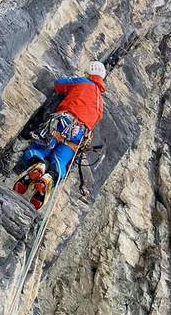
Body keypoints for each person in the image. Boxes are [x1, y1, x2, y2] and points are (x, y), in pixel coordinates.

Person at [13, 60, 106, 209]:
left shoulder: (83, 82)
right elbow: (95, 119)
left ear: (89, 73)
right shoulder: (100, 103)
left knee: (39, 150)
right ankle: (49, 177)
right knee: (60, 162)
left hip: (63, 122)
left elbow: (59, 84)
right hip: (79, 136)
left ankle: (38, 166)